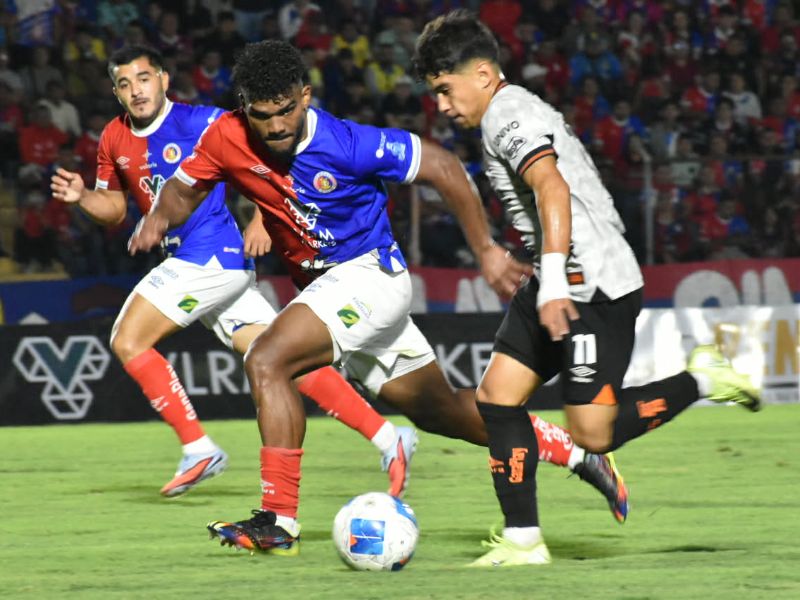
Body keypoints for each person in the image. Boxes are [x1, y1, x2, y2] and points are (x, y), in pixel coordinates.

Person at [128, 40, 630, 557]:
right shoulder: (225, 137)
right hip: (332, 291)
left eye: (285, 111)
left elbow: (443, 166)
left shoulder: (347, 143)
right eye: (263, 116)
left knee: (268, 358)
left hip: (371, 277)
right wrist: (159, 219)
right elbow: (183, 190)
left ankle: (278, 519)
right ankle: (576, 455)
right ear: (243, 109)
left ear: (304, 96)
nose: (276, 126)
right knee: (443, 413)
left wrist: (484, 248)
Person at [413, 10, 761, 567]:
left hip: (591, 284)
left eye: (445, 89)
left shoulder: (508, 114)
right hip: (559, 274)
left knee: (593, 433)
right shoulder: (506, 113)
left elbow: (550, 184)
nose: (443, 105)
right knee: (497, 398)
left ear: (481, 74)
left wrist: (552, 283)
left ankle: (701, 378)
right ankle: (523, 539)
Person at [49, 45, 425, 500]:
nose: (137, 90)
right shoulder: (113, 137)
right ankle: (389, 437)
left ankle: (198, 446)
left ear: (164, 80)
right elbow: (112, 210)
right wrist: (83, 196)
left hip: (210, 256)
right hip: (192, 261)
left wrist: (261, 218)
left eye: (144, 78)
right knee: (280, 360)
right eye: (125, 84)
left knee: (128, 339)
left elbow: (270, 162)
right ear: (115, 91)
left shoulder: (201, 121)